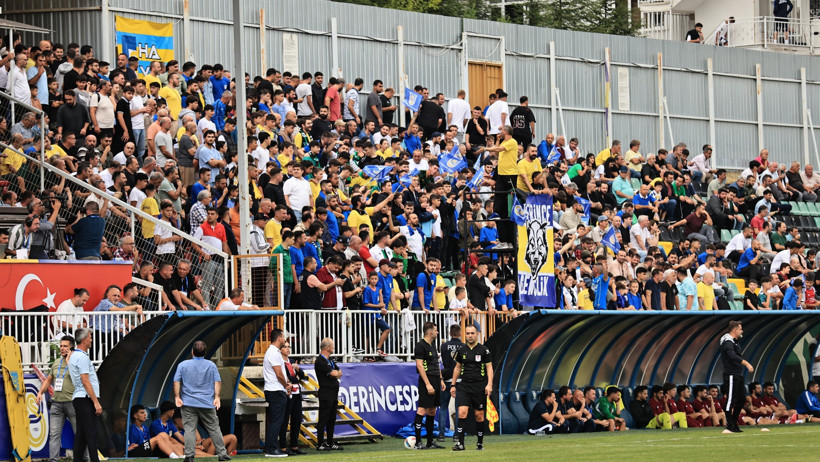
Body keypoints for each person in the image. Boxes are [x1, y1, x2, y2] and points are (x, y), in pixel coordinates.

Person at [173, 340, 230, 462]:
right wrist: (217, 397)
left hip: (188, 403)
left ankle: (189, 456)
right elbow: (217, 382)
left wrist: (177, 397)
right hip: (207, 403)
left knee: (189, 430)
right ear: (205, 352)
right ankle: (222, 454)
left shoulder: (182, 365)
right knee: (214, 428)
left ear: (192, 352)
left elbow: (176, 381)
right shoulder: (211, 365)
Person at [35, 336, 80, 462]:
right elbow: (49, 379)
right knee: (54, 435)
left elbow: (81, 379)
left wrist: (71, 362)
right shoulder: (56, 362)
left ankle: (84, 459)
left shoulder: (77, 361)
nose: (62, 348)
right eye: (61, 346)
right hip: (56, 404)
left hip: (73, 403)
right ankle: (53, 460)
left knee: (80, 434)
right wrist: (40, 392)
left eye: (65, 346)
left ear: (71, 347)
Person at [450, 324, 493, 451]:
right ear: (465, 335)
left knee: (479, 415)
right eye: (468, 333)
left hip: (479, 386)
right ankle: (460, 444)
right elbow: (457, 367)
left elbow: (489, 368)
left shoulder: (484, 350)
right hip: (464, 386)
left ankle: (480, 443)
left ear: (477, 334)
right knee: (462, 413)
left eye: (472, 333)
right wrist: (453, 384)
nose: (470, 336)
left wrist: (489, 384)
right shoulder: (461, 350)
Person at [68, 328, 101, 462]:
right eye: (90, 337)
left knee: (81, 435)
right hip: (85, 399)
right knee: (91, 433)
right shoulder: (81, 357)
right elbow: (85, 381)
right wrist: (96, 402)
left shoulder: (76, 355)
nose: (91, 340)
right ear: (84, 340)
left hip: (80, 398)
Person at [413, 322, 446, 450]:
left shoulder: (433, 345)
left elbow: (436, 363)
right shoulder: (420, 345)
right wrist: (427, 384)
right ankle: (418, 442)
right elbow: (420, 366)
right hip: (426, 380)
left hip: (436, 379)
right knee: (422, 409)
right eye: (436, 330)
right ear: (430, 332)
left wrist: (441, 380)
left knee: (432, 410)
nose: (437, 332)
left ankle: (430, 441)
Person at [720, 320, 754, 433]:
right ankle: (730, 424)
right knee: (731, 400)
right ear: (734, 330)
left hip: (738, 374)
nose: (742, 331)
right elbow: (732, 356)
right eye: (740, 329)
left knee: (742, 399)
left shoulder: (734, 342)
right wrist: (746, 364)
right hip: (730, 374)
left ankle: (734, 422)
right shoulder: (727, 341)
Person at [262, 329, 289, 457]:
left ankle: (271, 447)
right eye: (283, 336)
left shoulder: (274, 352)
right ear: (279, 338)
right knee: (276, 421)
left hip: (276, 389)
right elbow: (279, 374)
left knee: (276, 420)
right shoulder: (273, 352)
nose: (285, 339)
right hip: (275, 390)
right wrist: (286, 385)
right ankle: (271, 448)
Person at [315, 337, 343, 451]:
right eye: (332, 346)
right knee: (323, 419)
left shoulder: (330, 360)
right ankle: (320, 443)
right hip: (326, 394)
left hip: (333, 394)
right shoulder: (320, 361)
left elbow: (339, 372)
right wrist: (335, 374)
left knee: (332, 419)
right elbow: (333, 373)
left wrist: (336, 374)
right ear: (327, 348)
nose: (334, 348)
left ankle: (330, 442)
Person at [279, 340, 306, 455]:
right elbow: (288, 378)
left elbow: (303, 376)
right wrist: (294, 376)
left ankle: (294, 445)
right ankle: (283, 447)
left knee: (297, 420)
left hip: (296, 393)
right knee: (284, 421)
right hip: (287, 393)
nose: (288, 349)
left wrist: (298, 369)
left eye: (289, 347)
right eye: (285, 347)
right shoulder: (280, 362)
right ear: (280, 349)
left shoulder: (291, 361)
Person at [440, 324, 463, 440]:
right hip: (460, 378)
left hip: (447, 377)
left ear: (450, 333)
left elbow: (442, 361)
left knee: (443, 406)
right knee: (459, 407)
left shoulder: (444, 346)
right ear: (460, 333)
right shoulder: (464, 346)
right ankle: (457, 435)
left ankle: (441, 434)